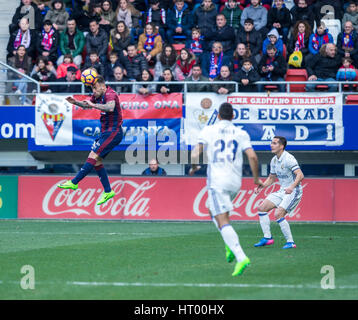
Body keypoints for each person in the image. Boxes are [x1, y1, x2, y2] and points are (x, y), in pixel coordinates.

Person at [189, 102, 263, 276]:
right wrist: (255, 178)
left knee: (223, 220)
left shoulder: (209, 130)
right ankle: (228, 243)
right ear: (233, 117)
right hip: (235, 182)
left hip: (217, 181)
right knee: (211, 208)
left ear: (219, 116)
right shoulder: (241, 133)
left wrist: (193, 167)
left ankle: (240, 256)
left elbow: (194, 153)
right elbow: (252, 156)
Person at [58, 75, 123, 206]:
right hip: (106, 132)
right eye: (92, 88)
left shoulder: (110, 94)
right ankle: (108, 191)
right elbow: (87, 105)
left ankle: (74, 182)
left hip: (114, 131)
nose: (93, 91)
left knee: (93, 155)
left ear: (102, 86)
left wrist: (94, 105)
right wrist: (75, 102)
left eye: (95, 88)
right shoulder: (98, 95)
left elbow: (110, 107)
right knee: (96, 160)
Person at [253, 136, 304, 249]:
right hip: (282, 190)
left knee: (278, 214)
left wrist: (291, 187)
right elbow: (271, 178)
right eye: (271, 143)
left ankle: (290, 242)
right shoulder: (274, 160)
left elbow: (300, 175)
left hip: (294, 191)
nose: (271, 145)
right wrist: (261, 187)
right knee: (261, 208)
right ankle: (267, 238)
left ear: (282, 146)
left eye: (275, 143)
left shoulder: (289, 158)